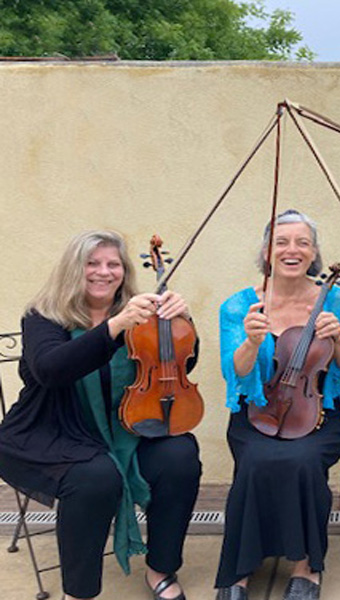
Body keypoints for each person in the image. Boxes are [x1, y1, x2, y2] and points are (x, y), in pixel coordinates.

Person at [0, 230, 202, 600]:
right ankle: (77, 592)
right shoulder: (44, 317)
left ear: (124, 271)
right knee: (95, 478)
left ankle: (160, 567)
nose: (103, 272)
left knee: (180, 455)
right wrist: (115, 326)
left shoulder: (140, 314)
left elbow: (181, 361)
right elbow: (51, 369)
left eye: (113, 264)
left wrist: (179, 321)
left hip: (125, 425)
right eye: (92, 263)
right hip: (53, 431)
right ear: (73, 270)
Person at [214, 210, 340, 600]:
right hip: (257, 410)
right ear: (267, 251)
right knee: (254, 463)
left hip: (320, 413)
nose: (291, 250)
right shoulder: (239, 306)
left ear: (314, 253)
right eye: (282, 241)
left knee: (301, 462)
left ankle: (306, 568)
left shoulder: (335, 300)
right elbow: (233, 373)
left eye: (302, 242)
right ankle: (239, 571)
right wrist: (251, 341)